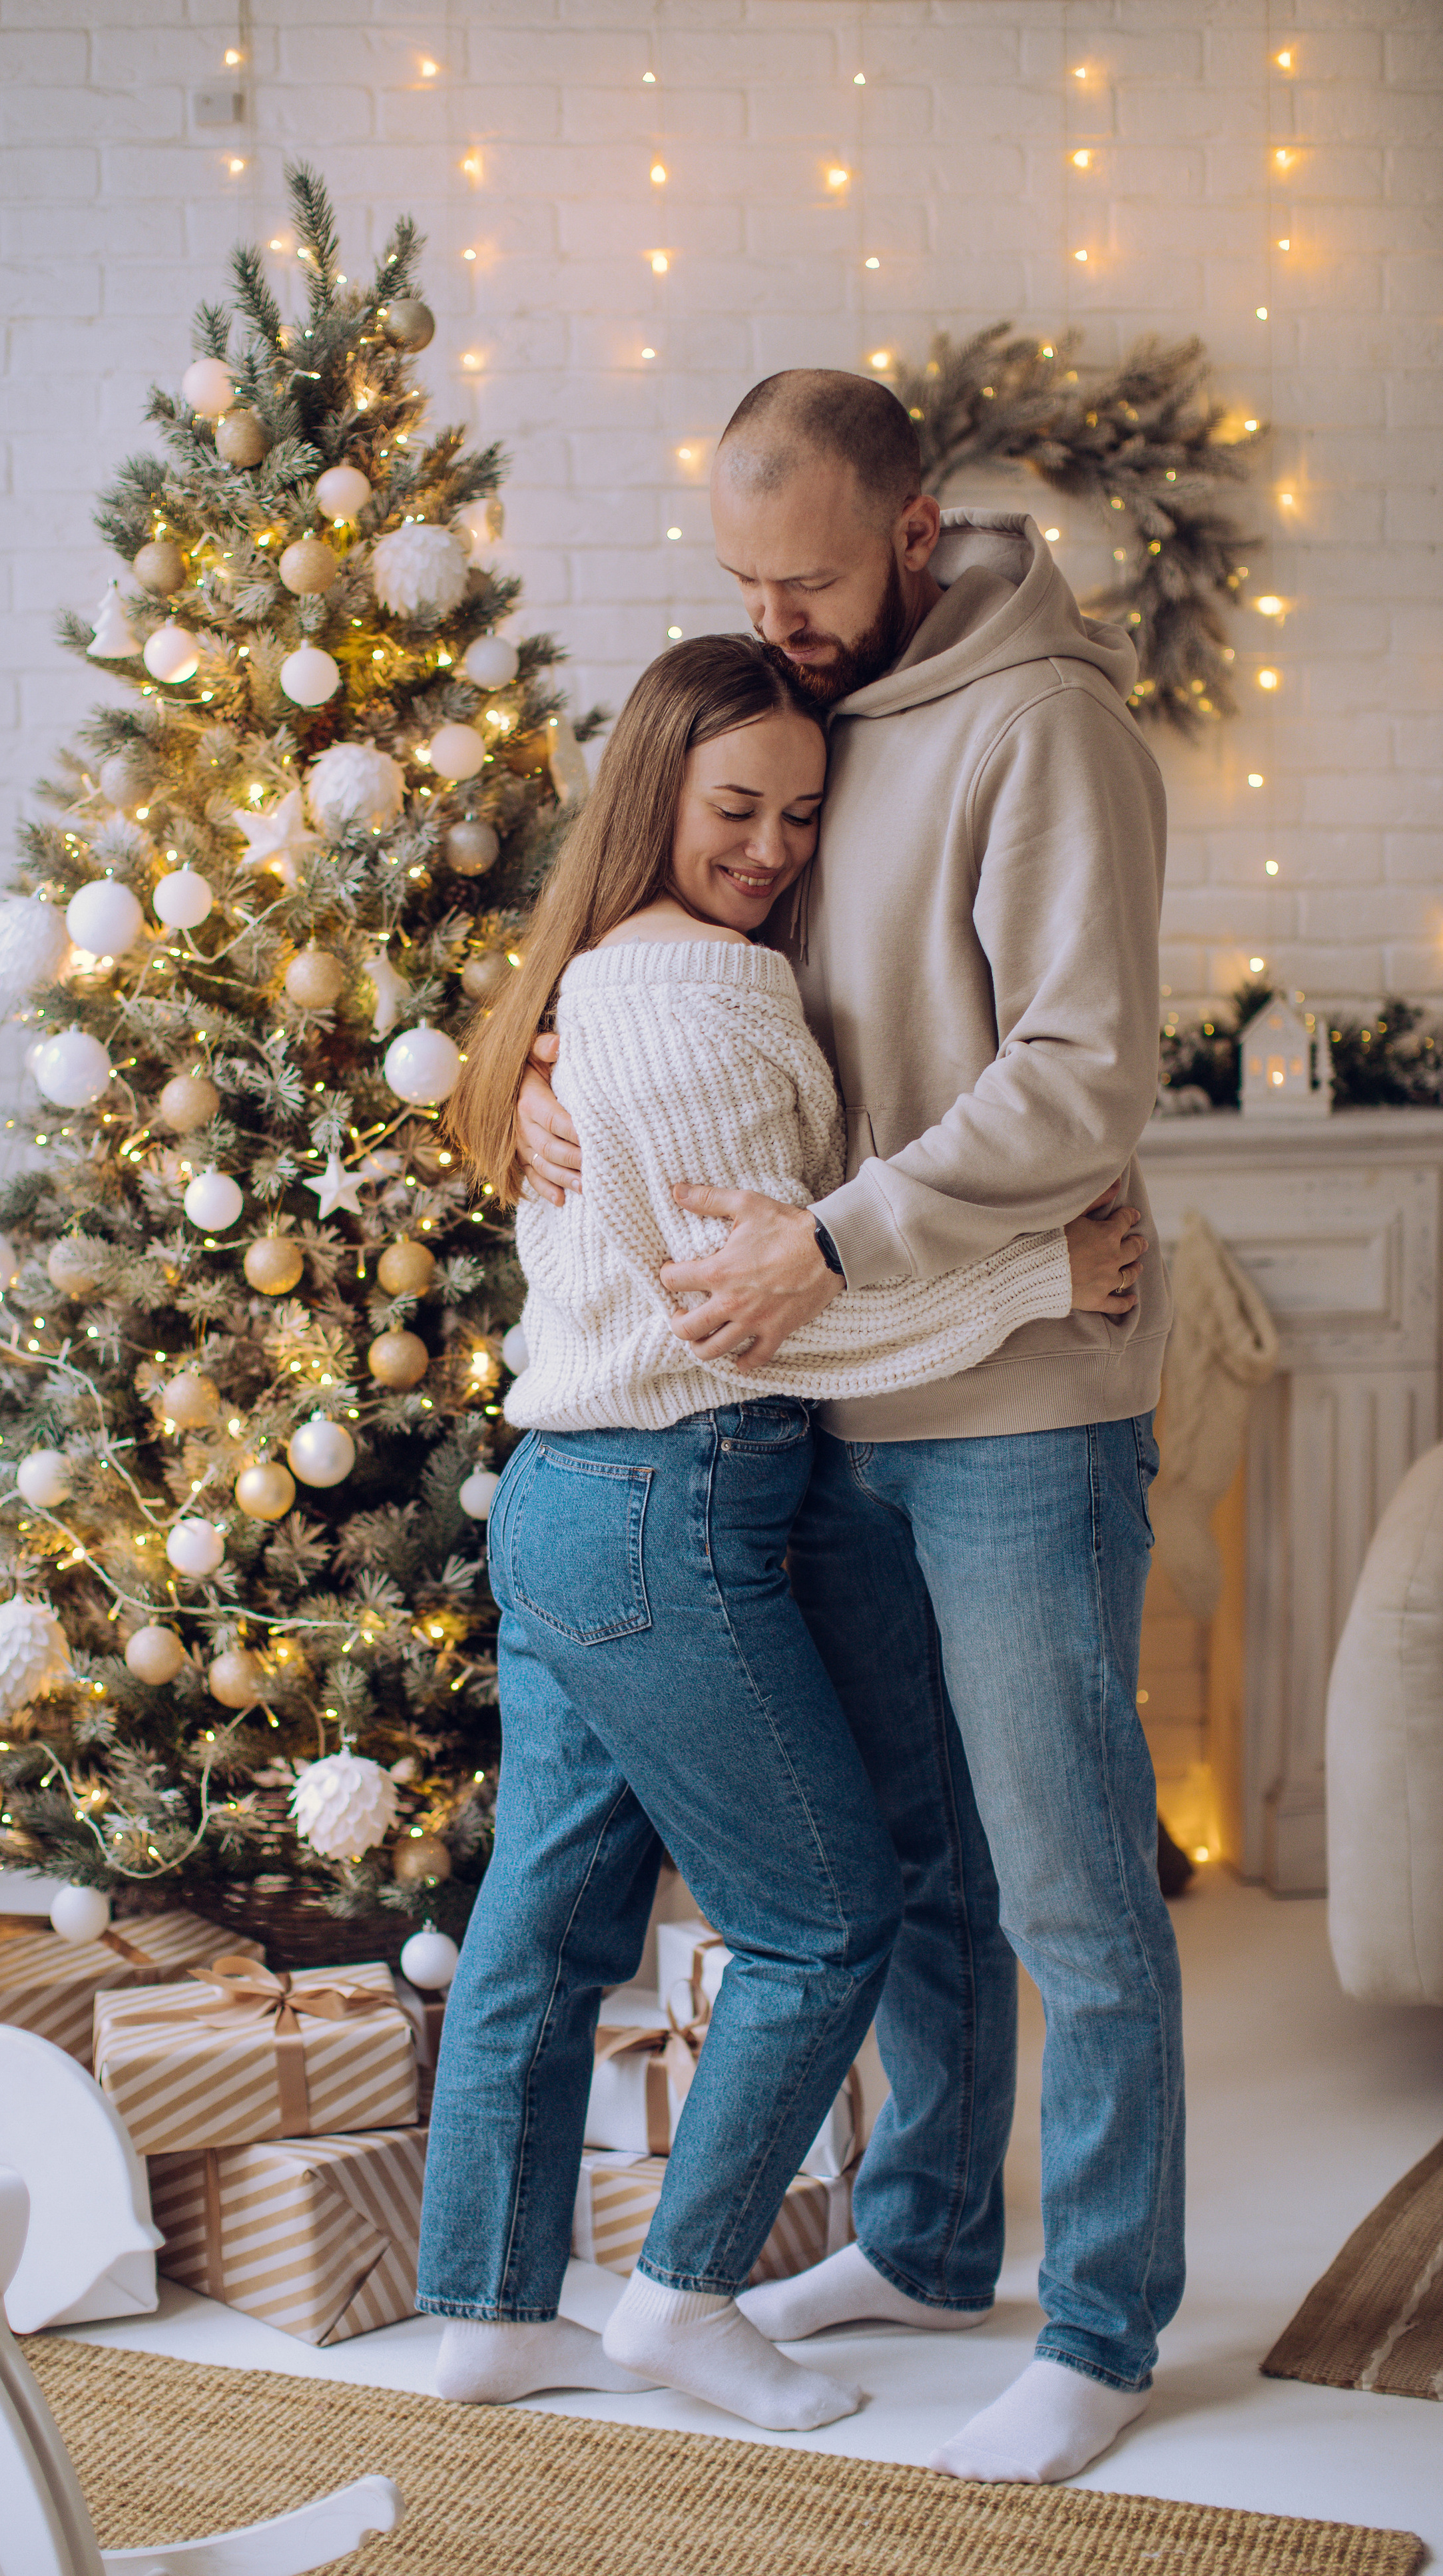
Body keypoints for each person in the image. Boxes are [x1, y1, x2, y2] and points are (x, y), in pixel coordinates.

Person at [518, 370, 1179, 2488]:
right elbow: (686, 945)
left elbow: (1081, 1075)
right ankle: (921, 2240)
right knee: (923, 1871)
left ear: (915, 530)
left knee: (1074, 1885)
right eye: (744, 581)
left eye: (807, 578)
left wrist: (839, 1235)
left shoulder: (1042, 722)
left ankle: (1104, 2323)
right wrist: (546, 1076)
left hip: (1015, 1408)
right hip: (832, 1407)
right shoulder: (813, 726)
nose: (776, 616)